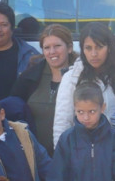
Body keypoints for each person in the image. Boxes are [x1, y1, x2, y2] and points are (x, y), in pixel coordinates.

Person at [53, 23, 115, 146]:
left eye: (99, 47)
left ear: (109, 47)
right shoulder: (71, 77)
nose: (94, 54)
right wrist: (61, 154)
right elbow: (62, 121)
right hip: (81, 150)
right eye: (88, 48)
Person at [11, 24, 78, 155]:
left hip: (72, 155)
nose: (52, 51)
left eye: (57, 46)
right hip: (36, 158)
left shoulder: (81, 77)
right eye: (47, 47)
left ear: (69, 48)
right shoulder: (29, 78)